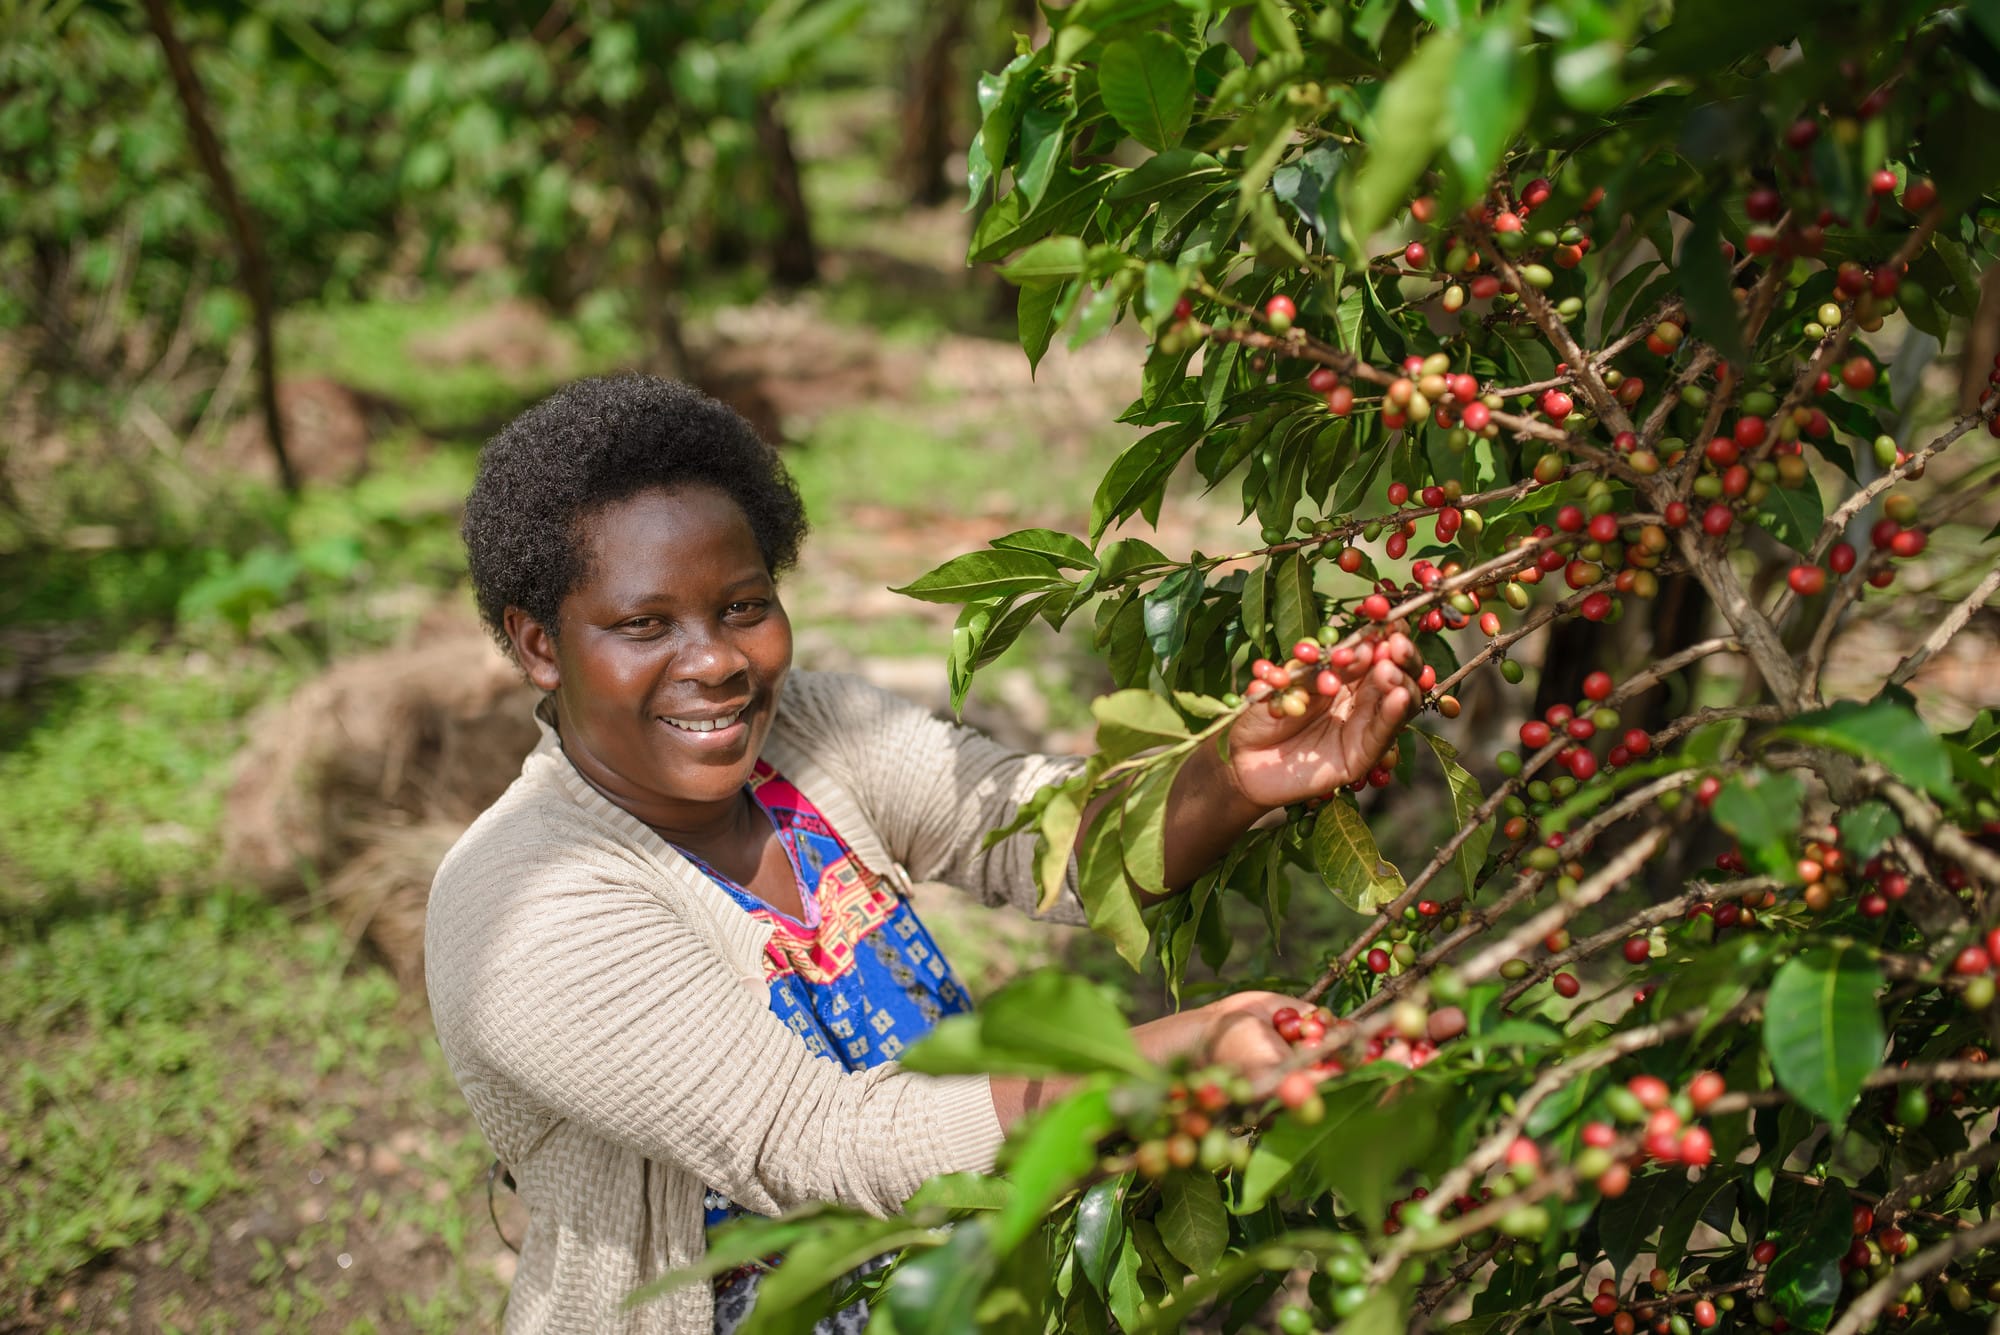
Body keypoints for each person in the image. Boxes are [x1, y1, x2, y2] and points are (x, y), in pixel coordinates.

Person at [426, 375, 1423, 1335]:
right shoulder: (526, 905)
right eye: (644, 625)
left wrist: (1233, 774)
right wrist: (1162, 1058)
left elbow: (1038, 833)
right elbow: (816, 1145)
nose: (717, 661)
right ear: (540, 645)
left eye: (741, 607)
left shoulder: (810, 732)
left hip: (974, 1243)